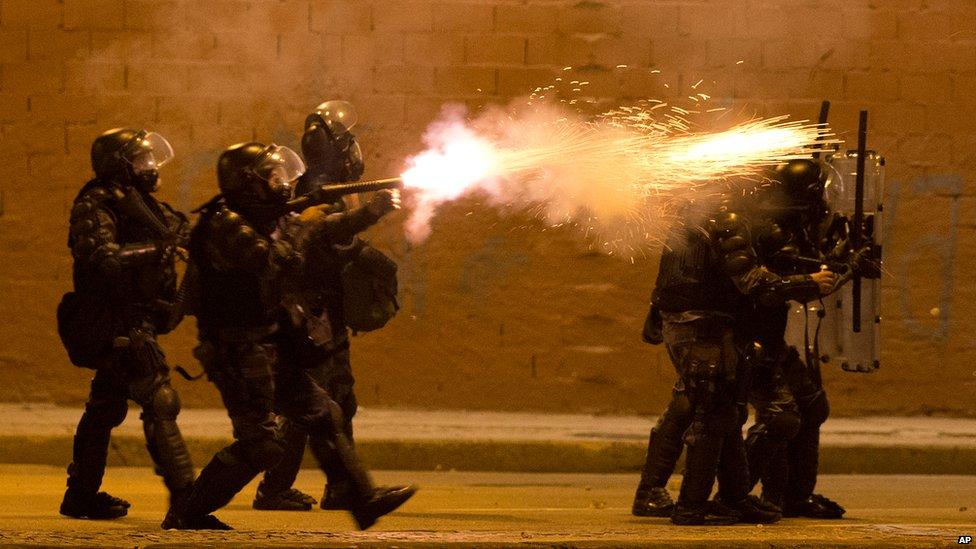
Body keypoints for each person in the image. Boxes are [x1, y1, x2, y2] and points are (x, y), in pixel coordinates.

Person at [636, 172, 837, 525]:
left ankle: (732, 497)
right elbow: (752, 282)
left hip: (699, 326)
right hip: (702, 327)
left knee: (723, 413)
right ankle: (692, 506)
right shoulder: (724, 219)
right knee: (713, 415)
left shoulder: (693, 216)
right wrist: (808, 283)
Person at [252, 101, 415, 513]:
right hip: (309, 312)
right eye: (347, 142)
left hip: (328, 309)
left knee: (341, 397)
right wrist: (367, 234)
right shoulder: (315, 189)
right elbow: (321, 238)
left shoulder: (334, 185)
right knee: (311, 403)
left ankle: (342, 489)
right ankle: (274, 488)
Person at [161, 141, 307, 530]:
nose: (282, 183)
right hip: (235, 350)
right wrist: (302, 223)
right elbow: (273, 260)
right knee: (263, 444)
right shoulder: (227, 223)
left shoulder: (255, 219)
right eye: (272, 176)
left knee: (309, 414)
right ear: (248, 182)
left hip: (257, 346)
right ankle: (187, 512)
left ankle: (189, 511)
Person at [58, 128, 194, 520]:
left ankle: (80, 495)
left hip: (137, 317)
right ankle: (187, 499)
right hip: (115, 319)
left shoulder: (141, 203)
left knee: (105, 407)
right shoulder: (95, 205)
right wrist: (158, 249)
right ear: (119, 165)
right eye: (142, 161)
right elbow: (102, 256)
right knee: (160, 400)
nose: (151, 168)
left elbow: (179, 228)